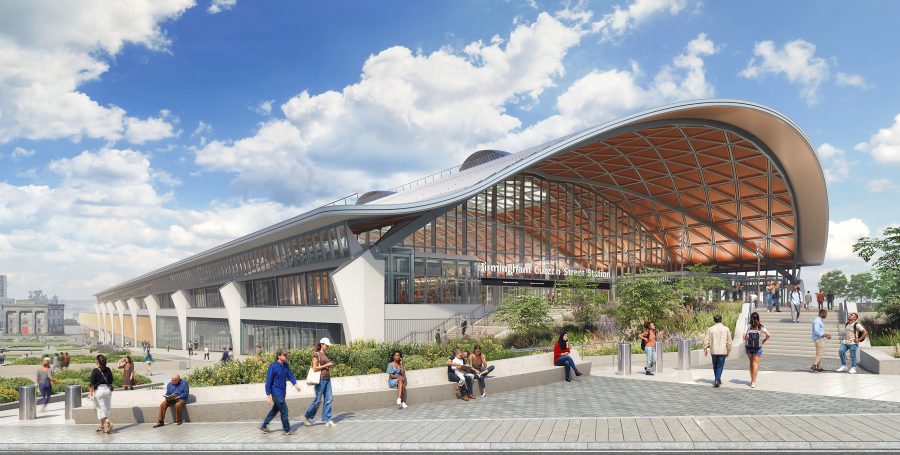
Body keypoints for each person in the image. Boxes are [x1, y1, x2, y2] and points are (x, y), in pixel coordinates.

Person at [260, 349, 301, 434]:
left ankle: (264, 426)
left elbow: (289, 375)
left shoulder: (285, 365)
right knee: (284, 410)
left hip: (282, 392)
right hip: (275, 392)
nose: (286, 356)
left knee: (275, 409)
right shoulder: (273, 366)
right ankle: (287, 430)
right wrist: (268, 395)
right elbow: (268, 382)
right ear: (279, 356)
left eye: (286, 355)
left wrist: (295, 384)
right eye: (284, 355)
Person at [303, 338, 336, 427]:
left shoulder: (326, 354)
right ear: (322, 344)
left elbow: (324, 367)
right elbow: (314, 368)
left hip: (327, 379)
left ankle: (327, 419)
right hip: (320, 380)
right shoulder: (316, 354)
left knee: (328, 399)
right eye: (326, 345)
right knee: (318, 400)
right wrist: (327, 365)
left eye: (328, 345)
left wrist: (329, 366)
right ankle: (306, 416)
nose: (328, 346)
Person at [743, 312, 771, 388]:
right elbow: (769, 335)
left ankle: (751, 379)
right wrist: (763, 341)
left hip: (749, 347)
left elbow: (744, 337)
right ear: (758, 318)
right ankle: (753, 382)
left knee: (751, 363)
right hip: (757, 347)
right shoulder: (761, 327)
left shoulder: (748, 326)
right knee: (755, 364)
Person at [703, 315, 732, 387]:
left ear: (714, 320)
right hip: (722, 350)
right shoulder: (726, 329)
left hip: (714, 350)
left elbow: (706, 340)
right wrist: (728, 350)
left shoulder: (710, 329)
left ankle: (717, 379)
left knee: (715, 365)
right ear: (721, 320)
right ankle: (717, 379)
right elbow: (729, 342)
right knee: (720, 366)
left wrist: (705, 348)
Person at [88, 354, 115, 433]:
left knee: (100, 409)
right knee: (104, 409)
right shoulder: (108, 369)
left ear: (97, 361)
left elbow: (92, 384)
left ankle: (108, 422)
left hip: (99, 391)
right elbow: (111, 381)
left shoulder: (95, 370)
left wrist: (90, 394)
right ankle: (101, 427)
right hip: (107, 391)